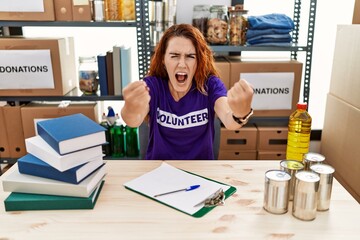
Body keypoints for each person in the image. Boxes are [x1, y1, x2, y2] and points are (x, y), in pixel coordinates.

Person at [121, 24, 253, 160]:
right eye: (174, 56)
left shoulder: (210, 84)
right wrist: (130, 108)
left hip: (200, 173)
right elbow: (133, 121)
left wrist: (241, 112)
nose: (182, 64)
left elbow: (229, 120)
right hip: (159, 171)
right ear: (163, 59)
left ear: (198, 61)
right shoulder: (153, 85)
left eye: (190, 56)